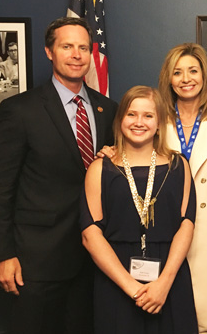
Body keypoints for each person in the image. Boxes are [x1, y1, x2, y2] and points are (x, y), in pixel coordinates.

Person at [0, 17, 118, 334]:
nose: (76, 54)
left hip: (94, 259)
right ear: (49, 52)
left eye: (83, 47)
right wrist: (2, 255)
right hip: (36, 263)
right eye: (67, 46)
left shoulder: (107, 110)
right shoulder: (21, 110)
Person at [81, 86, 198, 334]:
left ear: (159, 123)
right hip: (116, 280)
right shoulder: (100, 168)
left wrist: (163, 284)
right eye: (131, 114)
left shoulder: (179, 165)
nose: (139, 122)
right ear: (120, 119)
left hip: (169, 279)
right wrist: (134, 289)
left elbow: (186, 225)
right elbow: (90, 235)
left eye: (148, 116)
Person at [159, 43, 207, 333]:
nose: (186, 78)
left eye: (193, 70)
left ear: (205, 76)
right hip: (163, 230)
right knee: (165, 313)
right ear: (168, 78)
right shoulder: (154, 120)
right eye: (177, 72)